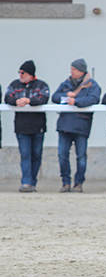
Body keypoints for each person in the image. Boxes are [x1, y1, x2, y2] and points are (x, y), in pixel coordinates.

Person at [51, 58, 101, 193]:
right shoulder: (66, 83)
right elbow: (55, 97)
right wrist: (66, 96)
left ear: (81, 71)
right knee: (62, 155)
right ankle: (65, 182)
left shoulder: (92, 85)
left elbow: (93, 99)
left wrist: (76, 101)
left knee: (81, 156)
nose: (71, 72)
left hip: (81, 125)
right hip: (64, 125)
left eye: (73, 69)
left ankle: (78, 182)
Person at [5, 60, 49, 192]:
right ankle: (26, 182)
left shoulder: (41, 85)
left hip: (38, 127)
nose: (20, 75)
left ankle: (32, 182)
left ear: (30, 74)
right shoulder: (14, 85)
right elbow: (7, 97)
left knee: (36, 155)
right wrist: (16, 101)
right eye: (19, 72)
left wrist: (29, 101)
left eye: (22, 73)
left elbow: (44, 98)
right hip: (21, 127)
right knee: (25, 155)